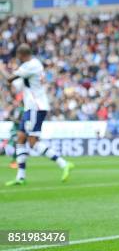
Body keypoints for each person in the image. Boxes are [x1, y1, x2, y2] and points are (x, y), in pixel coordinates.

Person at [0, 44, 74, 186]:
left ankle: (63, 163)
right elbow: (15, 85)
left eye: (18, 57)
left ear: (21, 55)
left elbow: (9, 79)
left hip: (36, 107)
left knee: (31, 142)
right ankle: (21, 177)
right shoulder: (30, 68)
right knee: (21, 139)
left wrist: (2, 69)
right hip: (30, 108)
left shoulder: (30, 65)